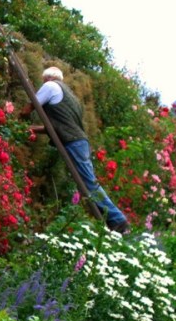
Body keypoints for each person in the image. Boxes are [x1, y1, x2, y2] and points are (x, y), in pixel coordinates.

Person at [22, 66, 130, 233]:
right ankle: (112, 220)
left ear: (48, 79)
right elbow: (57, 126)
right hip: (79, 141)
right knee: (87, 183)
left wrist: (17, 118)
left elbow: (30, 107)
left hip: (74, 142)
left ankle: (118, 220)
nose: (42, 85)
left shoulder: (50, 86)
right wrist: (33, 129)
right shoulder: (70, 96)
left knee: (88, 182)